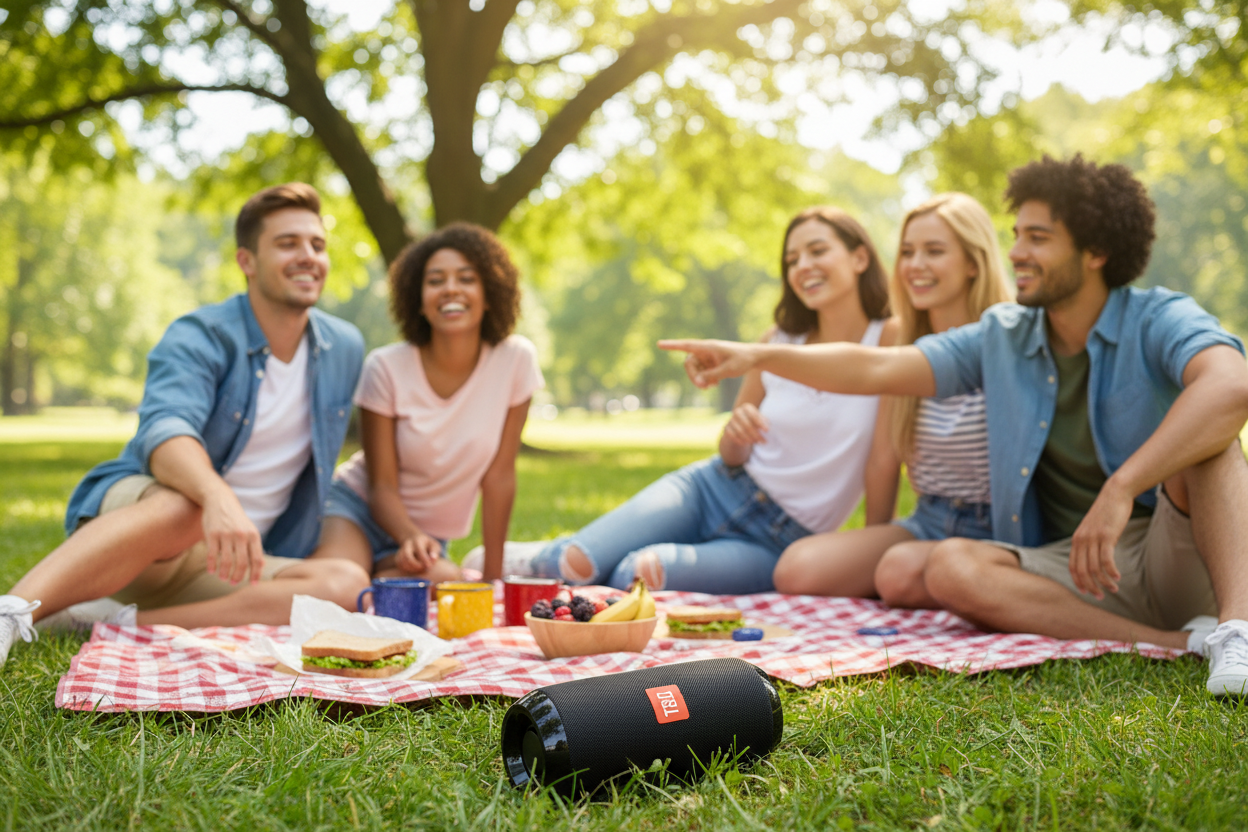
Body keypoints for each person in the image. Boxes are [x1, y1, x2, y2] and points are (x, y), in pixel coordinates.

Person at [662, 155, 1248, 696]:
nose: (1016, 252)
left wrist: (1123, 487)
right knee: (950, 567)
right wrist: (759, 355)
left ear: (1095, 251)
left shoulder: (1158, 316)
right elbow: (878, 367)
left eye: (1038, 238)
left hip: (1175, 554)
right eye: (1016, 235)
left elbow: (1231, 386)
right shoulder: (1004, 335)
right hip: (1070, 566)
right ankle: (1173, 644)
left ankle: (1237, 630)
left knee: (1212, 442)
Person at [0, 183, 370, 670]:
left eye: (317, 245)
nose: (308, 256)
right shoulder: (201, 334)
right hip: (149, 540)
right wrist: (217, 497)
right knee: (186, 506)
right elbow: (164, 430)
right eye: (288, 243)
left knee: (346, 584)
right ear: (247, 261)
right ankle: (10, 614)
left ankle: (110, 622)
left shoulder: (343, 347)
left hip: (230, 560)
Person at [473, 206, 897, 593]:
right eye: (792, 260)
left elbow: (882, 460)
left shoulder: (890, 340)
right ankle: (551, 557)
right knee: (577, 565)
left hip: (779, 540)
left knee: (636, 575)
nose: (802, 267)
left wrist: (869, 557)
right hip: (711, 488)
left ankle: (570, 555)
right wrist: (736, 433)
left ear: (860, 257)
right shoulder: (777, 339)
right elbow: (731, 454)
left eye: (817, 251)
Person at [772, 193, 1013, 598]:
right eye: (907, 252)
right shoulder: (903, 346)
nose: (915, 265)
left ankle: (966, 582)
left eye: (934, 251)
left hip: (999, 526)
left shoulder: (1010, 342)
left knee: (897, 572)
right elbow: (884, 459)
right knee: (797, 568)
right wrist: (870, 549)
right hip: (929, 519)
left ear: (974, 262)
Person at [309, 223, 543, 583]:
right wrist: (409, 536)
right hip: (358, 510)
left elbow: (499, 477)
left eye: (467, 278)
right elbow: (381, 486)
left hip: (428, 538)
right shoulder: (385, 367)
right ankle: (370, 570)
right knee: (338, 582)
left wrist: (492, 580)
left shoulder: (515, 361)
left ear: (489, 293)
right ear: (418, 300)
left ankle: (380, 573)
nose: (451, 288)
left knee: (449, 582)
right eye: (435, 280)